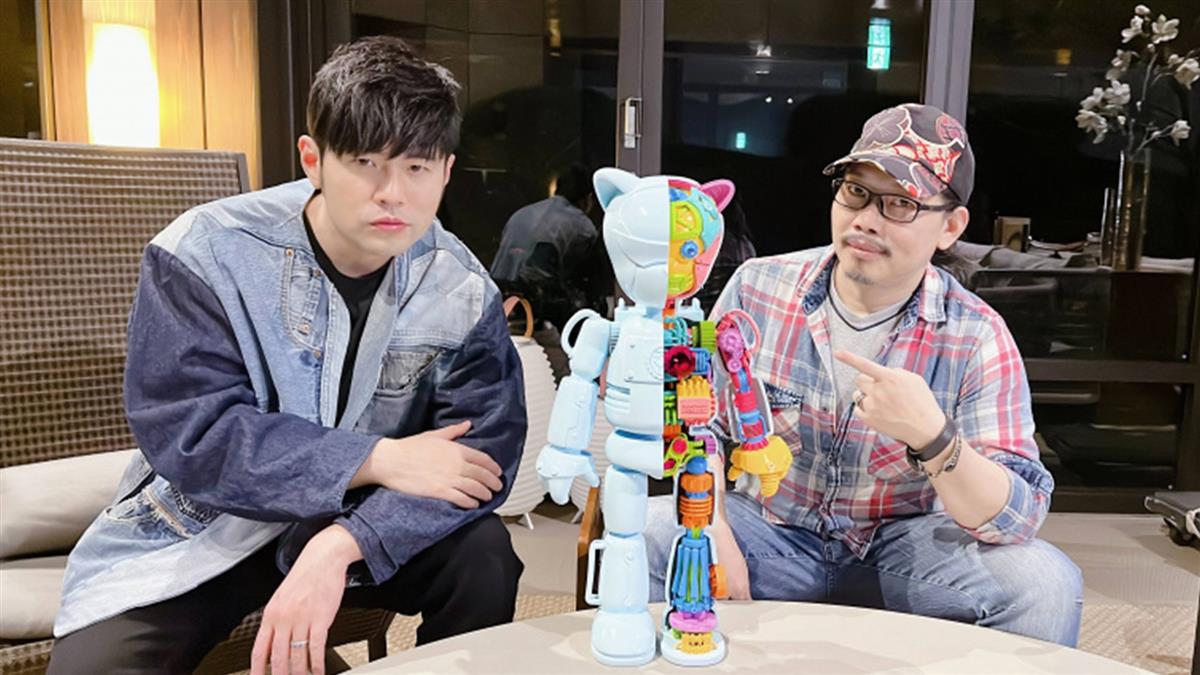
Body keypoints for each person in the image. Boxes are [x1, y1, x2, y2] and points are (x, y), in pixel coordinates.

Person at [48, 36, 526, 675]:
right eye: (365, 162)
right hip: (205, 529)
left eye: (416, 167)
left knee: (484, 556)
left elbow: (482, 457)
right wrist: (378, 457)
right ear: (313, 159)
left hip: (359, 522)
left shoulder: (459, 288)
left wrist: (343, 543)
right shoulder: (206, 252)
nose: (392, 193)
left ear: (446, 171)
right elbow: (193, 433)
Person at [644, 103, 1083, 647]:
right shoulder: (759, 287)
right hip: (774, 537)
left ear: (950, 227)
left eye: (900, 203)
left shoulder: (976, 334)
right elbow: (700, 424)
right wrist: (711, 525)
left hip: (904, 554)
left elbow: (1016, 519)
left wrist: (934, 438)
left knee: (1044, 585)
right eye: (856, 192)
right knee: (653, 531)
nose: (866, 220)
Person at [489, 162, 601, 331]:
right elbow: (585, 280)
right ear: (589, 198)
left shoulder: (521, 214)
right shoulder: (582, 226)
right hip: (535, 314)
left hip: (497, 307)